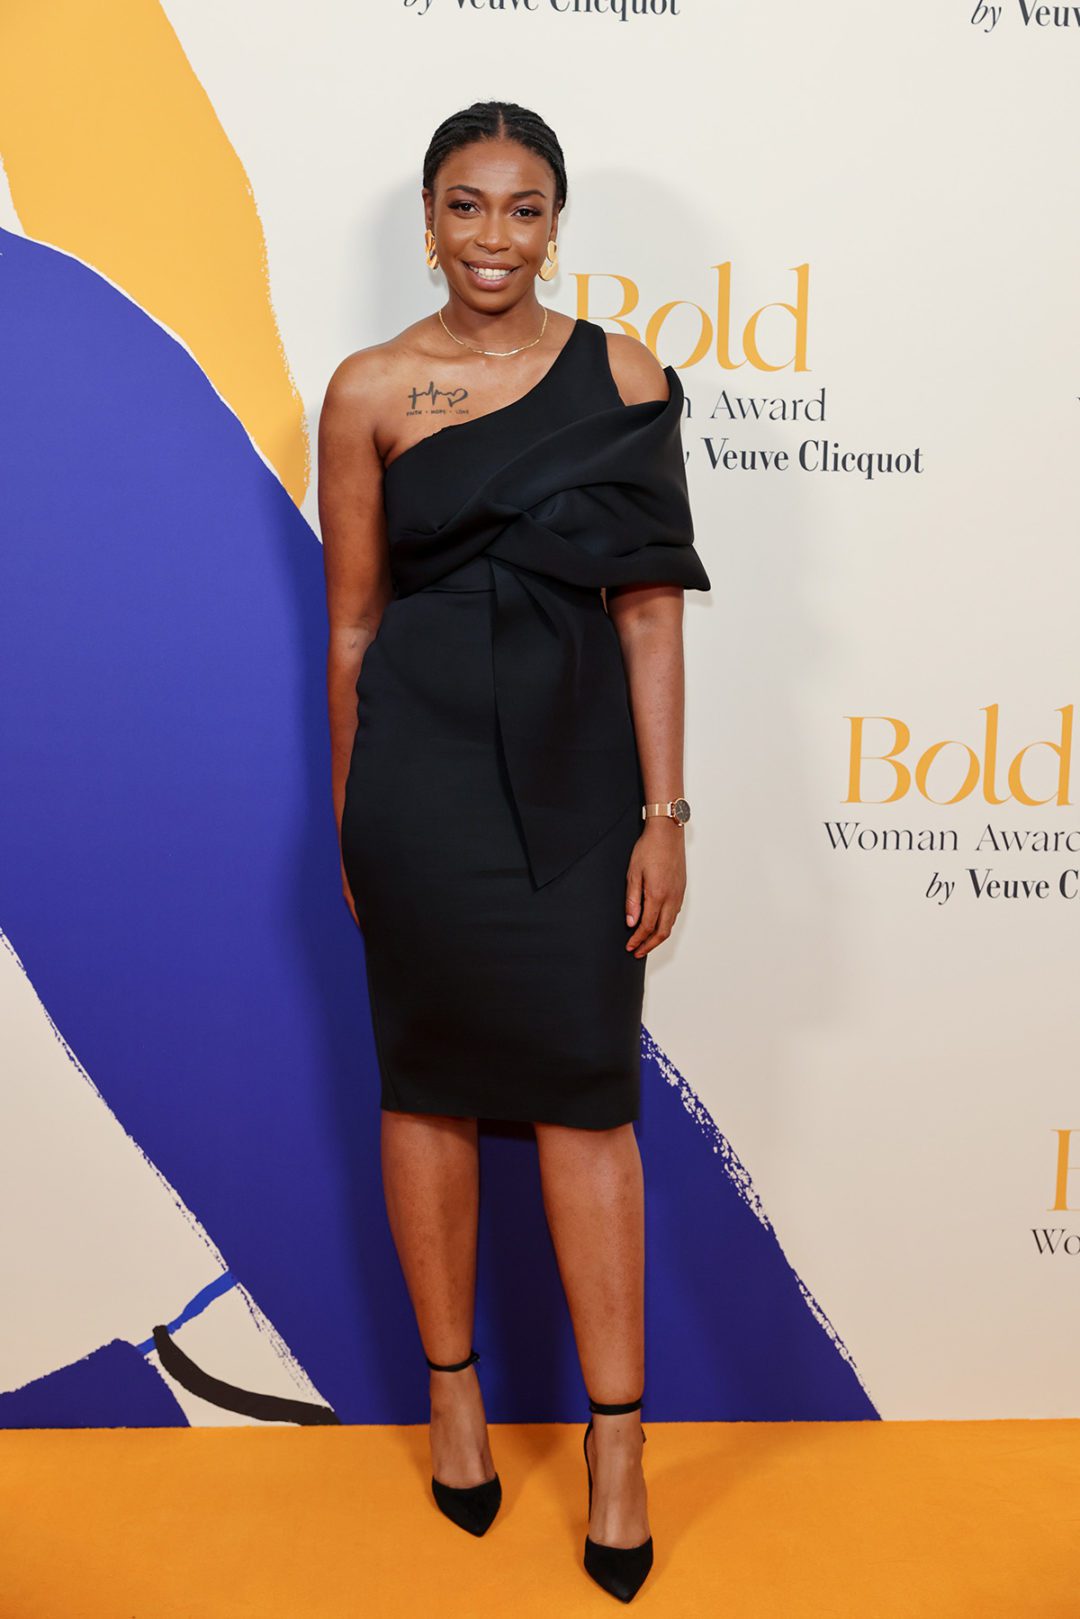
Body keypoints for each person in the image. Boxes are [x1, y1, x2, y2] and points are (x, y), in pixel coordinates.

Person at [318, 100, 710, 1603]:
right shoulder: (369, 388)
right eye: (467, 206)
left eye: (524, 208)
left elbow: (651, 611)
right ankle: (455, 1399)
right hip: (415, 782)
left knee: (583, 1098)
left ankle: (619, 1443)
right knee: (424, 1082)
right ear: (431, 222)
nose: (495, 237)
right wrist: (352, 817)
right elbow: (353, 625)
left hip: (576, 776)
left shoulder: (625, 375)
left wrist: (664, 813)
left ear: (556, 225)